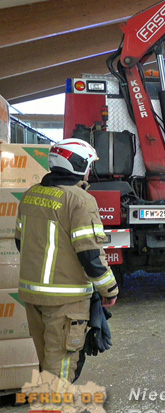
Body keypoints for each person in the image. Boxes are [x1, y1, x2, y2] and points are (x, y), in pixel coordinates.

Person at [15, 138, 119, 382]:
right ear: (79, 165)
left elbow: (22, 243)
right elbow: (90, 254)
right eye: (89, 165)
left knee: (46, 362)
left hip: (32, 296)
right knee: (60, 368)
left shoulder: (31, 195)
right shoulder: (80, 200)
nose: (90, 171)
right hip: (66, 300)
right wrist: (109, 289)